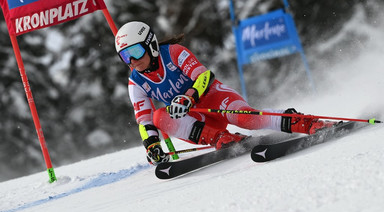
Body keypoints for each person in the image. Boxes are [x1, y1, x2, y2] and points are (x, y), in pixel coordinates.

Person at [114, 21, 336, 165]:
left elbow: (203, 76)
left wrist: (187, 97)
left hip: (214, 99)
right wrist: (152, 145)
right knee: (159, 116)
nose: (133, 61)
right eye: (125, 56)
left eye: (136, 51)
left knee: (247, 119)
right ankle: (222, 138)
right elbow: (143, 119)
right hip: (199, 121)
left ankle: (304, 122)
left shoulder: (173, 53)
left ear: (150, 45)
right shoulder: (135, 82)